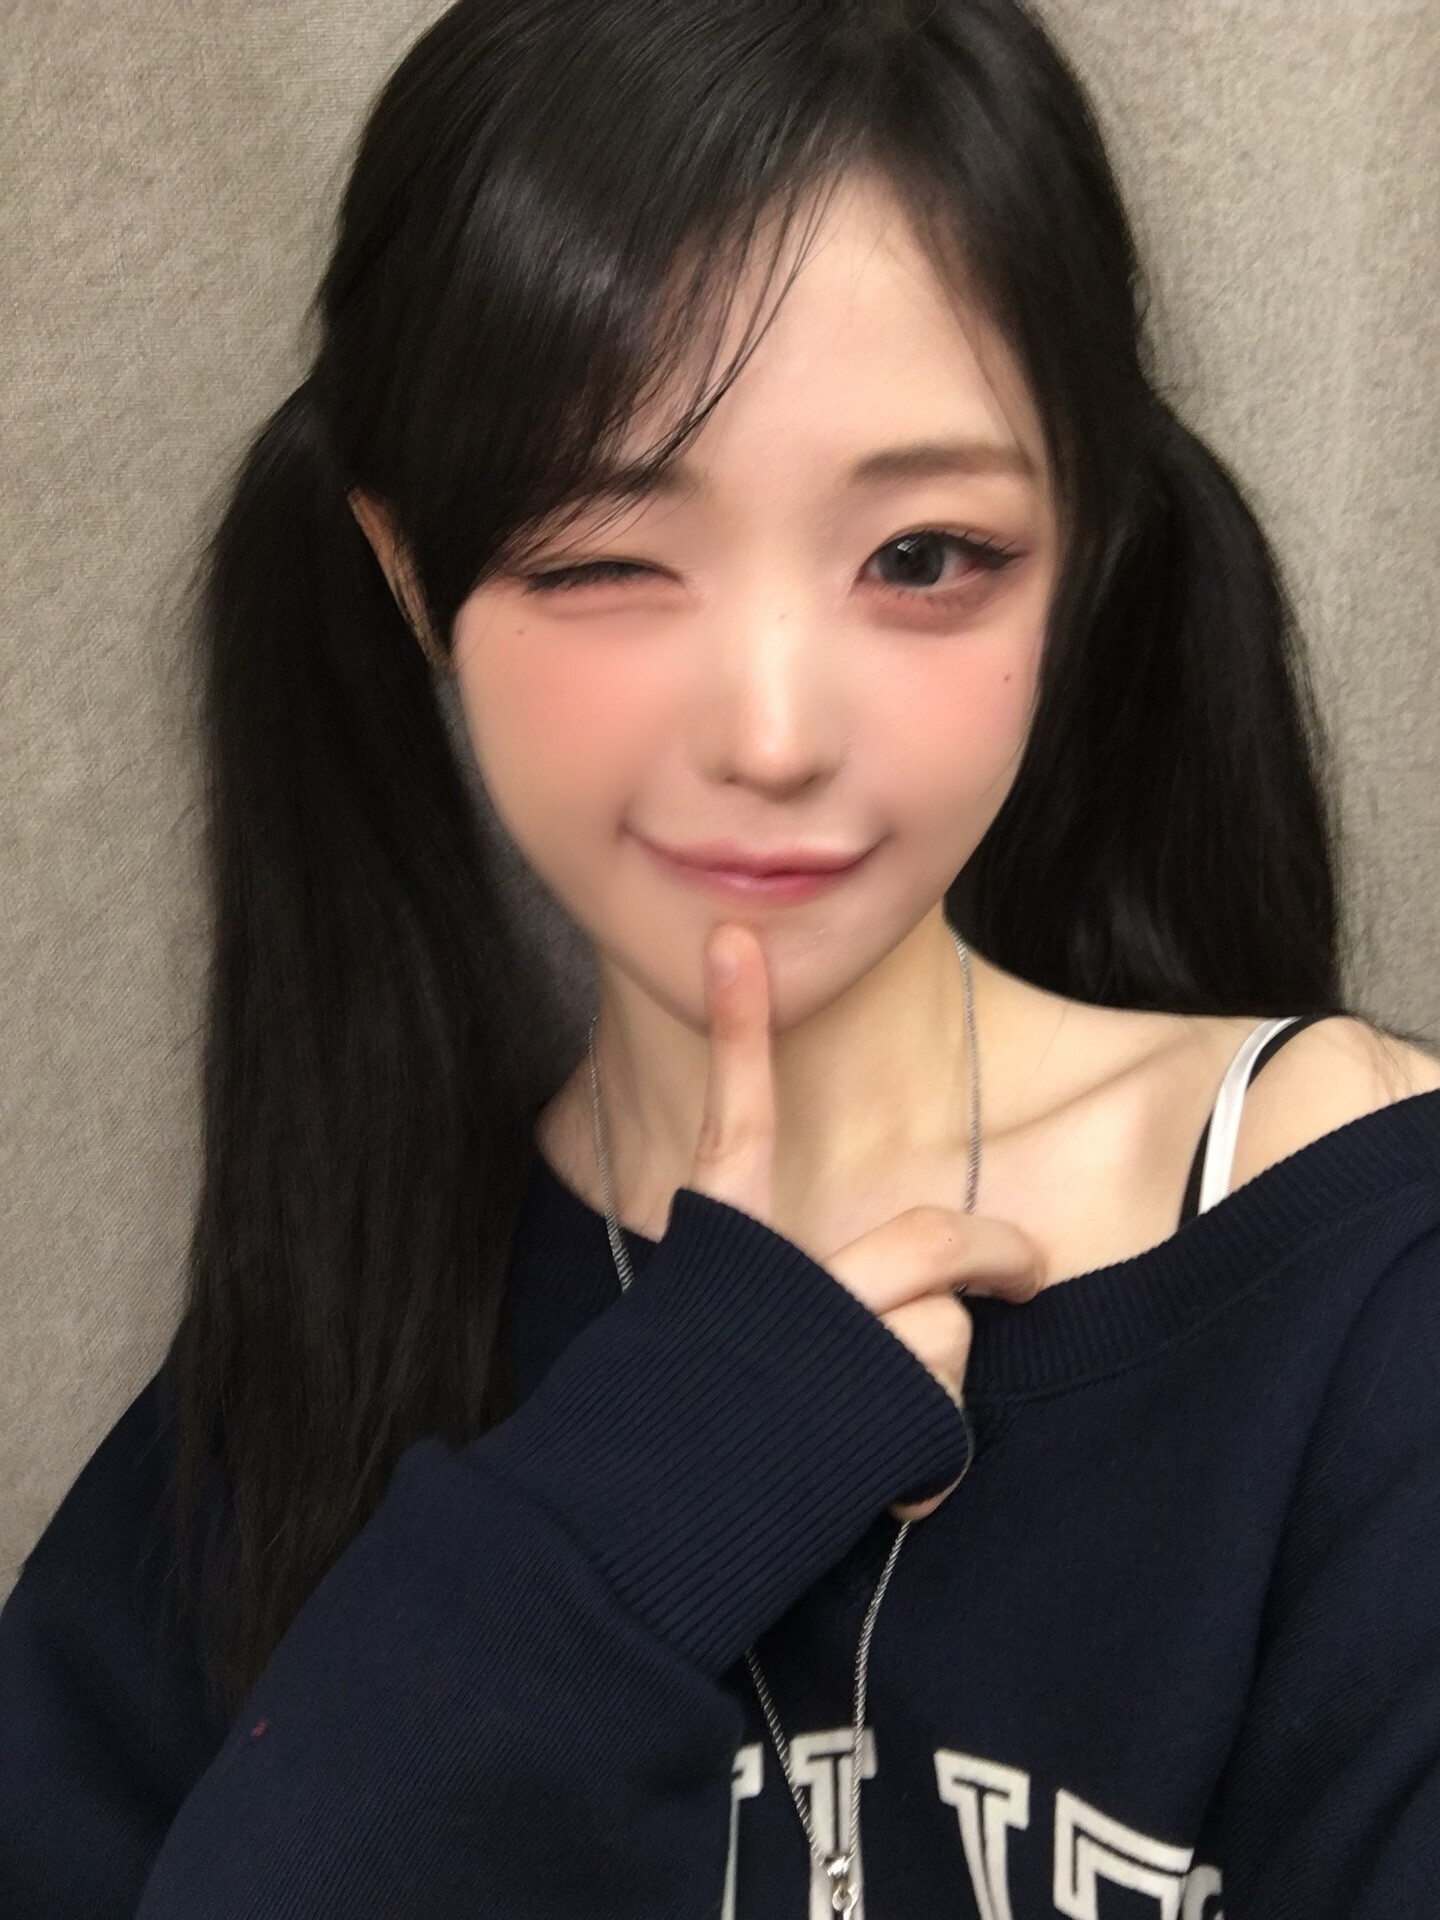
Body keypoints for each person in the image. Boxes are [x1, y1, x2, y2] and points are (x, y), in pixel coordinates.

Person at [2, 0, 1437, 1914]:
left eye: (923, 557)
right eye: (604, 558)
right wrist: (627, 1512)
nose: (772, 734)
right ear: (410, 575)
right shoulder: (314, 1361)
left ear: (1082, 547)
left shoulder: (1364, 1279)